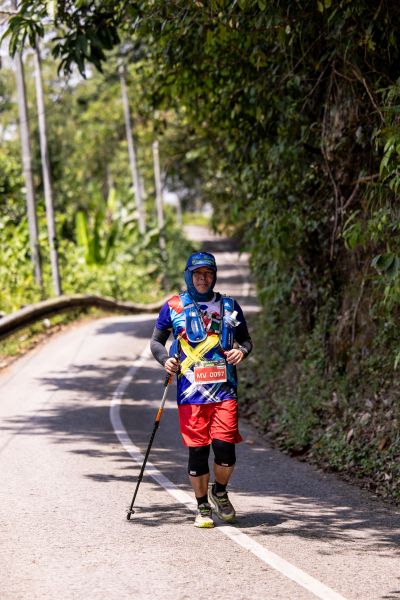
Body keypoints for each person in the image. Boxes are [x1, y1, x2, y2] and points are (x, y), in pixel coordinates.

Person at [150, 251, 252, 528]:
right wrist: (165, 359)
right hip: (190, 392)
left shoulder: (229, 306)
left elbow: (245, 340)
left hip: (225, 390)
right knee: (198, 451)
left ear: (214, 276)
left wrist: (242, 351)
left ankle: (220, 492)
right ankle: (202, 506)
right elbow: (157, 341)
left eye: (208, 273)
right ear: (189, 276)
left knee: (225, 449)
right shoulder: (174, 306)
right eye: (198, 274)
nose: (203, 279)